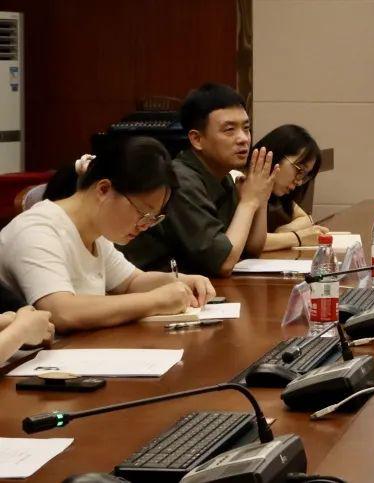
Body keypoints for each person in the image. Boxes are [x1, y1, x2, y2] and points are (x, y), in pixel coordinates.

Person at [0, 137, 214, 333]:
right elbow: (61, 311)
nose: (144, 226)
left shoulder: (96, 233)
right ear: (103, 189)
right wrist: (156, 300)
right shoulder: (37, 230)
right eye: (142, 213)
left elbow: (131, 282)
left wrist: (180, 281)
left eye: (152, 219)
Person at [119, 84, 278, 277]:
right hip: (146, 287)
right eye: (229, 130)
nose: (243, 139)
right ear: (197, 139)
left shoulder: (222, 176)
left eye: (246, 128)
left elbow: (252, 249)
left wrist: (261, 198)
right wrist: (249, 202)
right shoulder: (180, 180)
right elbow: (224, 262)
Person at [253, 124, 329, 252]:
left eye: (305, 175)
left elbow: (306, 218)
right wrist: (298, 237)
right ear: (276, 154)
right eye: (300, 170)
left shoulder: (276, 192)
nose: (299, 182)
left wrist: (283, 232)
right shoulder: (240, 182)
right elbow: (252, 243)